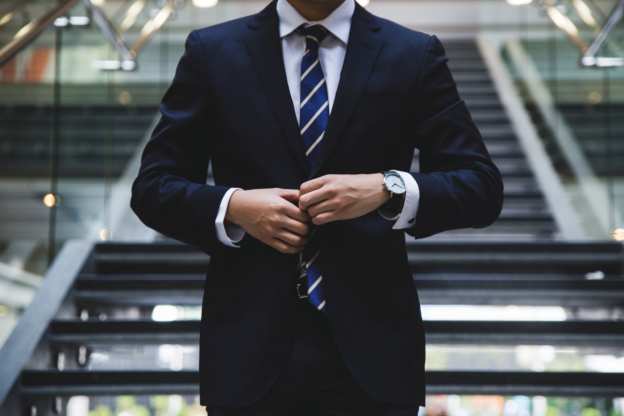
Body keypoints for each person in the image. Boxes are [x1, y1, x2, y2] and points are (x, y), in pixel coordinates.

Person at [131, 0, 503, 413]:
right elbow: (152, 187)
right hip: (248, 348)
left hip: (374, 352)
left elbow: (480, 186)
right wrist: (234, 206)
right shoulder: (213, 50)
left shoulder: (413, 52)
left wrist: (387, 187)